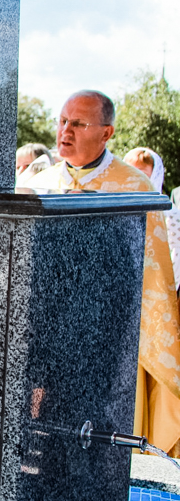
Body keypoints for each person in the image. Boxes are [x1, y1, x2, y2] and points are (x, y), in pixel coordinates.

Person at [26, 90, 180, 456]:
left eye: (78, 123)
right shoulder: (41, 184)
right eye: (63, 121)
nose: (66, 131)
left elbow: (153, 276)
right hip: (51, 333)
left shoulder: (135, 188)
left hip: (111, 338)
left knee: (98, 446)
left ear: (107, 133)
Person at [123, 147, 180, 293]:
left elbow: (175, 261)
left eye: (143, 174)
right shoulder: (116, 211)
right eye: (131, 173)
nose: (136, 180)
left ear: (155, 176)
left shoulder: (169, 215)